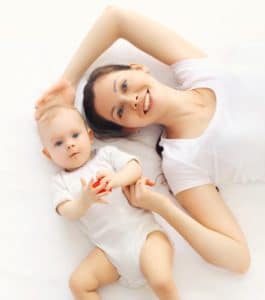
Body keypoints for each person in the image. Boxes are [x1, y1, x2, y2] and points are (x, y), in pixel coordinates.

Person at [34, 5, 261, 274]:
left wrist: (68, 82)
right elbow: (237, 258)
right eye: (120, 111)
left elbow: (117, 18)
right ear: (129, 130)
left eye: (125, 86)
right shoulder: (181, 161)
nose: (132, 100)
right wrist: (161, 206)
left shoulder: (200, 71)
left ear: (139, 68)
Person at [36, 104, 179, 300]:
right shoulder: (60, 182)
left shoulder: (106, 155)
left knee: (161, 281)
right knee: (78, 284)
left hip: (145, 236)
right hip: (110, 253)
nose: (69, 144)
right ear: (47, 153)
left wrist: (116, 180)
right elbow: (67, 211)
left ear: (89, 135)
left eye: (75, 135)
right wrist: (84, 200)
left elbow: (134, 168)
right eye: (58, 143)